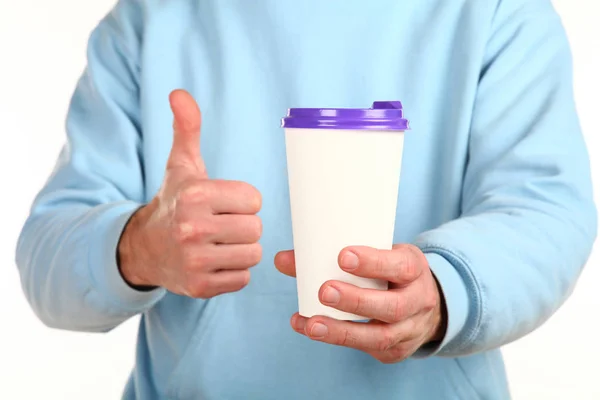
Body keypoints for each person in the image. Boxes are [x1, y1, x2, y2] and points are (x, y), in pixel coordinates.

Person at [15, 0, 597, 399]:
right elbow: (47, 258)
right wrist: (138, 247)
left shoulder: (496, 11)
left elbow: (546, 210)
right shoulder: (146, 21)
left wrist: (444, 289)